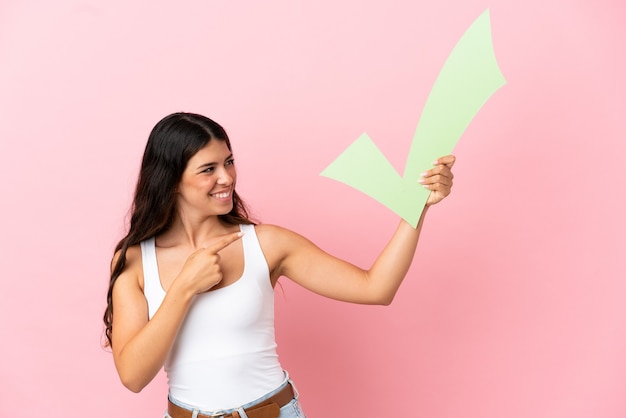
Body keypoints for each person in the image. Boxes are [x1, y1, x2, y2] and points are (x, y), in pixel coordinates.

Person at [103, 112, 455, 418]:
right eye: (208, 169)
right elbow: (133, 376)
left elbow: (376, 287)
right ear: (171, 179)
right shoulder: (135, 259)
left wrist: (417, 206)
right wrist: (184, 287)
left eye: (229, 161)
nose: (226, 177)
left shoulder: (267, 244)